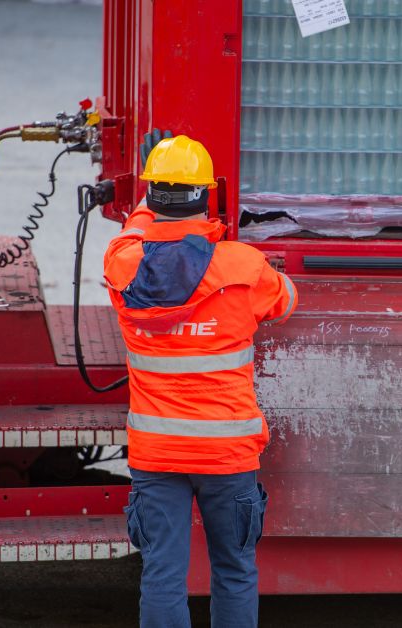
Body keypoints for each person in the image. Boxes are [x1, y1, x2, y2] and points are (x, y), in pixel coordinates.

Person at [103, 130, 297, 628]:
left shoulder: (123, 265)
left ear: (151, 195)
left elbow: (134, 235)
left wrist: (147, 206)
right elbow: (287, 299)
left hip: (157, 454)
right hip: (226, 456)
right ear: (205, 195)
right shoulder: (243, 266)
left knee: (162, 576)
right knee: (234, 572)